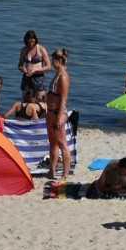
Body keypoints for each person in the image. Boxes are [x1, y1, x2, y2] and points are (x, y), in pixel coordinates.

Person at [45, 48, 72, 179]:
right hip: (51, 112)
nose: (52, 61)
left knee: (62, 143)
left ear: (59, 60)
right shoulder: (57, 75)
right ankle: (52, 170)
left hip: (57, 113)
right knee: (53, 143)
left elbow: (63, 98)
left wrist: (60, 116)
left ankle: (65, 173)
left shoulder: (63, 77)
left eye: (53, 59)